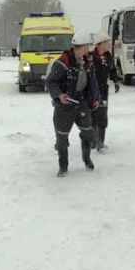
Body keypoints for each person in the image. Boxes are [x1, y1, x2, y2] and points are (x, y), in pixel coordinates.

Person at [45, 31, 100, 176]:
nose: (89, 48)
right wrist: (59, 95)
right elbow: (50, 81)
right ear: (81, 46)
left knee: (88, 132)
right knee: (62, 138)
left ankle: (86, 158)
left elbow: (92, 84)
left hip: (81, 104)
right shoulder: (63, 62)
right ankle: (63, 166)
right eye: (87, 46)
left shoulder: (87, 62)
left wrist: (94, 99)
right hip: (65, 106)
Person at [90, 33, 121, 151]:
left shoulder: (108, 56)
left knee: (102, 116)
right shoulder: (90, 57)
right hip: (91, 91)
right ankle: (93, 141)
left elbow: (113, 70)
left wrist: (116, 81)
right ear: (101, 44)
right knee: (92, 115)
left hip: (103, 90)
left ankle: (100, 143)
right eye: (107, 42)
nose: (109, 44)